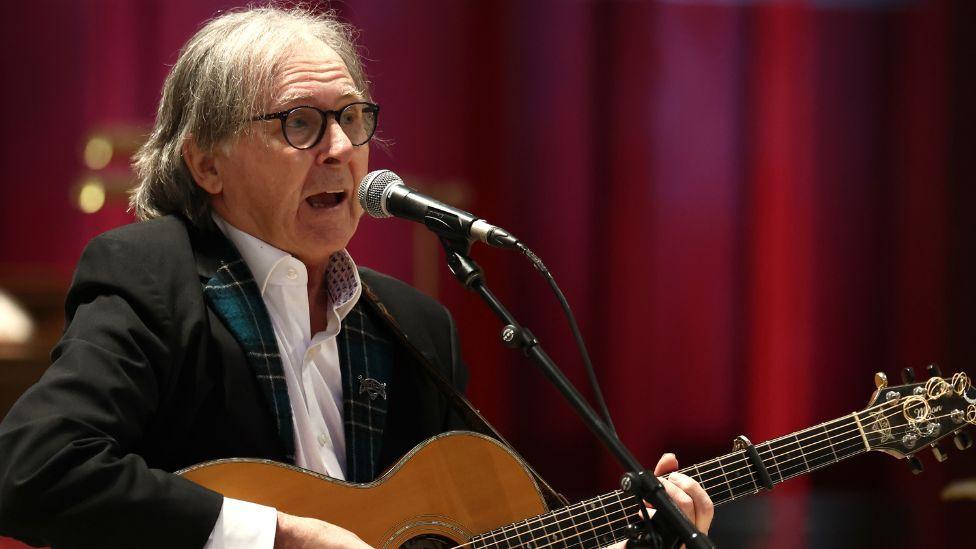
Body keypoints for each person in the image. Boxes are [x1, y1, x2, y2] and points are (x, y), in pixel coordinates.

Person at [0, 7, 711, 548]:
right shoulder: (155, 274)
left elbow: (482, 529)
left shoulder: (413, 324)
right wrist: (284, 535)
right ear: (206, 162)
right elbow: (33, 467)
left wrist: (631, 538)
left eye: (352, 118)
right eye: (301, 123)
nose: (341, 149)